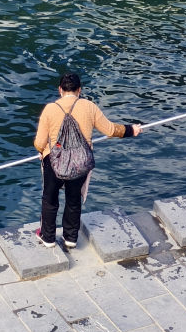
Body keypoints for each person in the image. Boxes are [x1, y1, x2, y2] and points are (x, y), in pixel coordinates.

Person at [33, 72, 142, 249]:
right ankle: (70, 238)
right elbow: (110, 130)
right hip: (80, 162)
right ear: (79, 90)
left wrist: (42, 151)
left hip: (53, 162)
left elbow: (39, 142)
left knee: (50, 199)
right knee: (73, 199)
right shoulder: (89, 107)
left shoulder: (50, 109)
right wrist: (131, 130)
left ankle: (48, 237)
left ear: (60, 90)